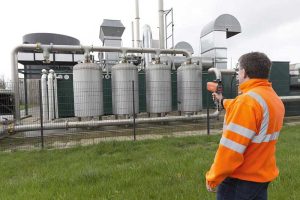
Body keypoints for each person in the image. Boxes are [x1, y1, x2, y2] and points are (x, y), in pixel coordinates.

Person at [205, 52, 285, 200]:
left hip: (240, 180)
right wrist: (222, 100)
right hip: (260, 177)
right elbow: (243, 107)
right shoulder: (273, 98)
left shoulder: (247, 101)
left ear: (244, 72)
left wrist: (213, 177)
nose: (238, 75)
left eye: (238, 70)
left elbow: (231, 149)